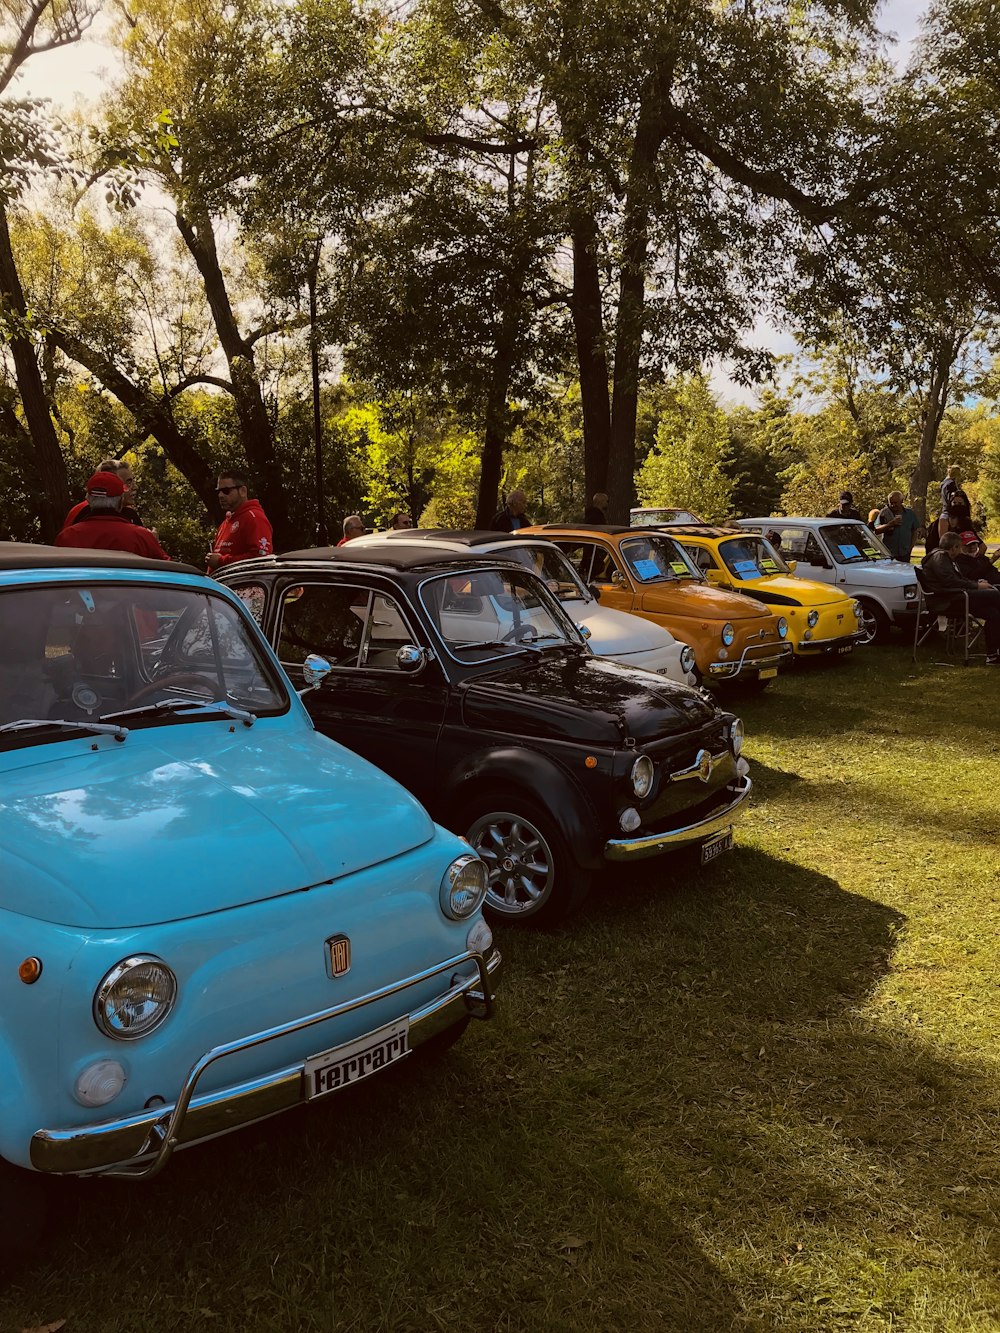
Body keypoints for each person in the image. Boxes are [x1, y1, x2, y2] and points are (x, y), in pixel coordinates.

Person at [922, 531, 1000, 664]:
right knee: (996, 594)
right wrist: (976, 586)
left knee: (994, 613)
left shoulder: (945, 558)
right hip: (949, 601)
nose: (960, 551)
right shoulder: (940, 557)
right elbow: (950, 581)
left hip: (957, 597)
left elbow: (956, 579)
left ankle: (993, 655)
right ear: (953, 547)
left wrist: (976, 584)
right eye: (959, 547)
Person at [54, 471, 170, 560]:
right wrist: (153, 542)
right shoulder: (142, 537)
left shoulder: (68, 537)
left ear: (88, 500)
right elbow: (168, 573)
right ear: (120, 501)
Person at [206, 471, 273, 571]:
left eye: (226, 491)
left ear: (243, 491)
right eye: (218, 491)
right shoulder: (226, 522)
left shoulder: (254, 517)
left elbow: (260, 559)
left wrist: (221, 562)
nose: (220, 495)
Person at [63, 457, 146, 529]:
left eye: (133, 481)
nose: (135, 487)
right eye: (128, 482)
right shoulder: (81, 511)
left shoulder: (130, 512)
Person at [874, 491, 923, 562]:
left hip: (905, 553)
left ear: (901, 501)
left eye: (895, 503)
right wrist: (890, 524)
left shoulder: (910, 514)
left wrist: (911, 547)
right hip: (889, 553)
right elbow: (876, 530)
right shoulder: (884, 513)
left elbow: (914, 531)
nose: (893, 505)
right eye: (891, 503)